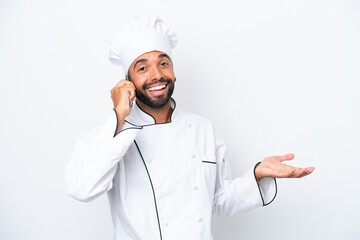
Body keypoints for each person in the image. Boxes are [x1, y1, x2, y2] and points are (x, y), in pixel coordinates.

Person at [64, 15, 315, 240]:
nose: (156, 75)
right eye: (142, 68)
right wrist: (119, 114)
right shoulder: (113, 133)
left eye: (163, 63)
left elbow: (219, 201)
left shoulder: (203, 128)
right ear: (127, 81)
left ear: (173, 73)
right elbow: (80, 188)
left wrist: (258, 174)